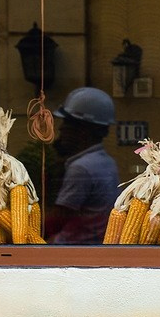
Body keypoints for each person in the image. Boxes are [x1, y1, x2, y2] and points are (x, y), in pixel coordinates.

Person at [44, 87, 121, 244]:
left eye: (67, 123)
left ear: (84, 130)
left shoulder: (81, 168)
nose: (60, 128)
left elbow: (58, 218)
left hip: (73, 246)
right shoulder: (107, 162)